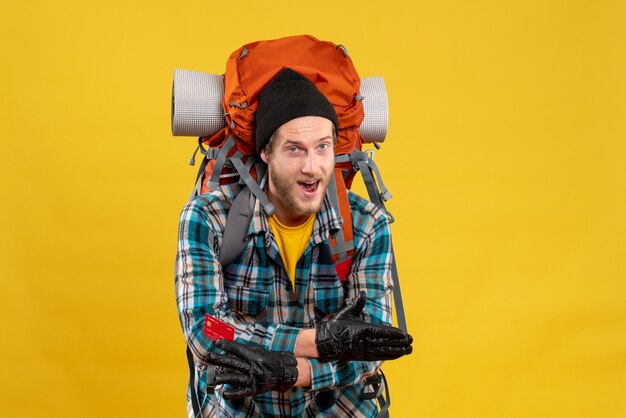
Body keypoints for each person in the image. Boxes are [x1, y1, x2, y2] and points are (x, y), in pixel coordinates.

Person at [175, 68, 412, 417]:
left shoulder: (366, 226)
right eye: (295, 149)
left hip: (335, 407)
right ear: (267, 152)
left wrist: (293, 372)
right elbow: (206, 331)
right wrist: (321, 342)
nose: (312, 167)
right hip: (239, 410)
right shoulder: (208, 217)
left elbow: (370, 351)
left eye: (322, 147)